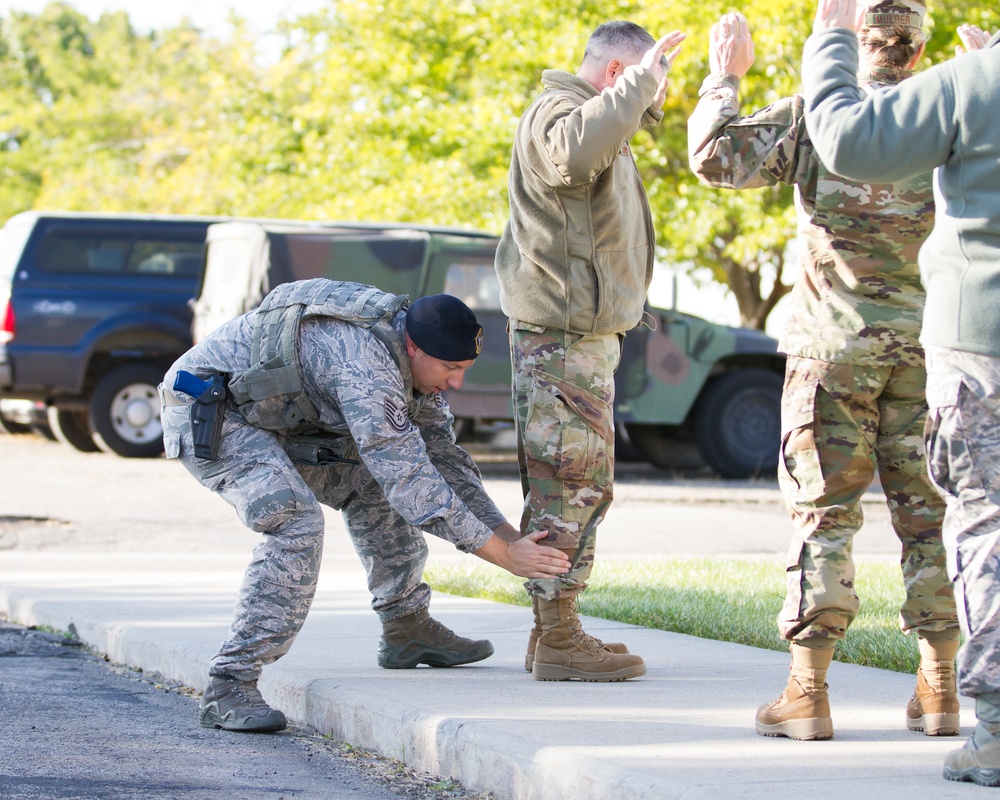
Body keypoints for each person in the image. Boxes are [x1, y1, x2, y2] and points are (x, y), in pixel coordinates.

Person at [688, 4, 962, 742]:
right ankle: (939, 691)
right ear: (919, 43)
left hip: (832, 354)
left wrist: (726, 77)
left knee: (824, 518)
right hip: (929, 356)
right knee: (932, 522)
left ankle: (807, 696)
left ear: (857, 36)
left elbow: (716, 157)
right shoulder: (950, 111)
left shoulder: (819, 112)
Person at [160, 279, 571, 732]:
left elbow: (447, 464)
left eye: (465, 369)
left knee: (379, 484)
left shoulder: (413, 373)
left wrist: (509, 538)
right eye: (451, 368)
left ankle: (407, 628)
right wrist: (501, 556)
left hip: (282, 420)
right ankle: (230, 682)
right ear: (414, 347)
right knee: (295, 522)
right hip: (213, 412)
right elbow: (410, 480)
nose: (457, 382)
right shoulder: (366, 368)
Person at [801, 0, 1000, 784]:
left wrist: (831, 42)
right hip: (927, 350)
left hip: (975, 344)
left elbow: (847, 139)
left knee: (983, 525)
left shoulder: (974, 81)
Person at [494, 21, 685, 682]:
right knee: (567, 485)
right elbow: (571, 157)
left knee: (579, 484)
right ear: (615, 75)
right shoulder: (560, 112)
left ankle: (553, 631)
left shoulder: (591, 117)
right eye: (642, 84)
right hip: (563, 338)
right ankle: (558, 636)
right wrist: (637, 87)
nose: (649, 104)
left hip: (581, 336)